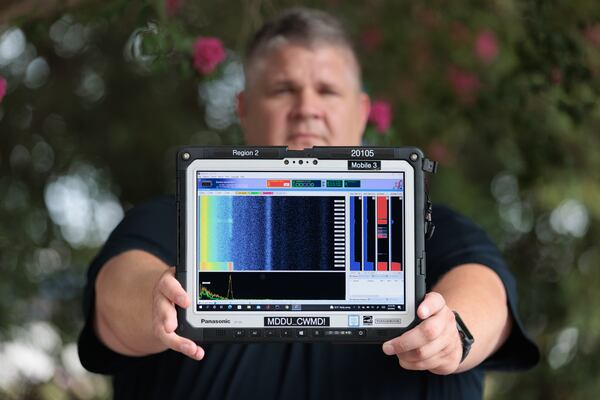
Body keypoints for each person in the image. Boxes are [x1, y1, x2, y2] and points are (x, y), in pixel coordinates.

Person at [78, 7, 539, 399]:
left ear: (361, 113)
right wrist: (155, 300)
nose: (307, 108)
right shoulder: (170, 219)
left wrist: (453, 332)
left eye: (327, 91)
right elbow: (115, 299)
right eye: (283, 90)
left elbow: (487, 295)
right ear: (243, 109)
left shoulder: (436, 225)